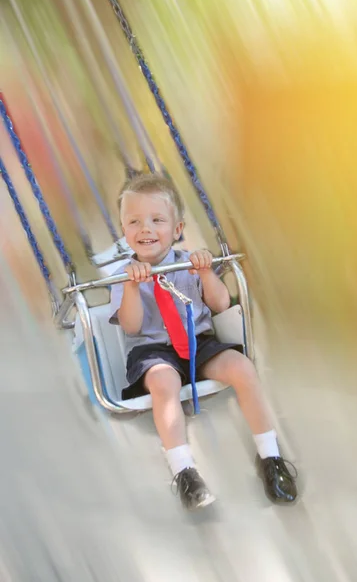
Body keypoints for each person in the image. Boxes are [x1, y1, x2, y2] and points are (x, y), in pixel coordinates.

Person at [109, 173, 297, 510]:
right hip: (152, 352)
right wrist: (132, 287)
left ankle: (270, 457)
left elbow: (221, 305)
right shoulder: (123, 275)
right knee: (164, 384)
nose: (145, 228)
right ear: (124, 231)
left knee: (242, 368)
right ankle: (184, 471)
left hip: (198, 342)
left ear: (177, 229)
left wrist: (207, 272)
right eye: (134, 221)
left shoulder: (188, 262)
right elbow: (132, 326)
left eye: (157, 220)